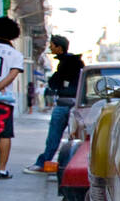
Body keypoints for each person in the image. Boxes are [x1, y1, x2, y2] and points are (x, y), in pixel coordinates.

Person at [24, 35, 83, 175]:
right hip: (74, 103)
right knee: (73, 137)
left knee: (55, 136)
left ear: (59, 47)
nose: (50, 48)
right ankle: (68, 165)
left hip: (65, 103)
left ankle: (43, 164)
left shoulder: (67, 62)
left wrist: (56, 83)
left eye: (52, 45)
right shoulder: (72, 61)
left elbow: (57, 82)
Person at [0, 16, 23, 179]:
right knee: (4, 135)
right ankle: (2, 170)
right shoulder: (15, 54)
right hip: (3, 101)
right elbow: (13, 74)